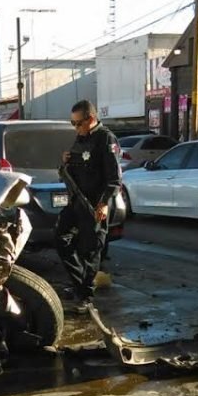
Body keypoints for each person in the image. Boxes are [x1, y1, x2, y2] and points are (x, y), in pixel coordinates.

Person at [57, 99, 122, 312]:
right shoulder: (80, 139)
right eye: (72, 123)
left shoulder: (105, 139)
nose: (75, 128)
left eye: (78, 123)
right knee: (61, 238)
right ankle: (79, 284)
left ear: (91, 119)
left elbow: (114, 178)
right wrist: (66, 161)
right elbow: (71, 172)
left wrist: (103, 203)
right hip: (76, 201)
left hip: (95, 204)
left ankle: (85, 295)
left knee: (91, 250)